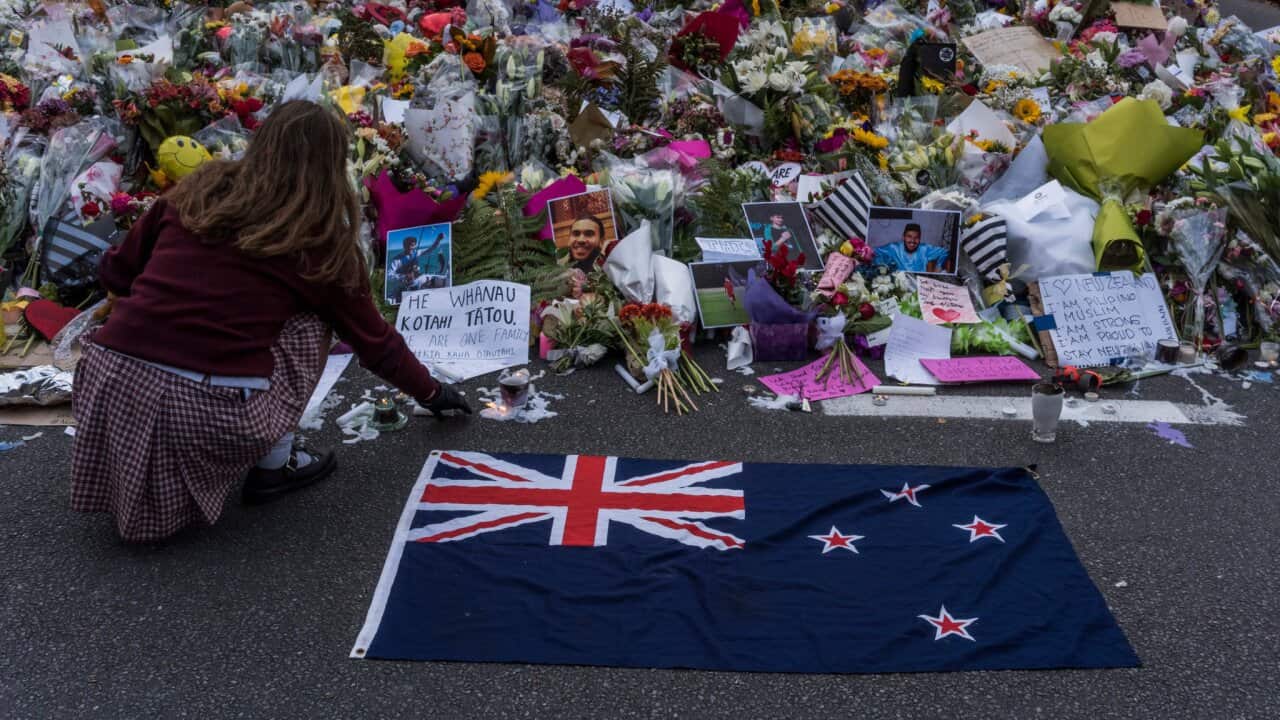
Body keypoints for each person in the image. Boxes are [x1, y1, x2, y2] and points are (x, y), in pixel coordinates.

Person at [71, 100, 472, 543]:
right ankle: (274, 466)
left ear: (261, 142)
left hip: (107, 382)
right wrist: (432, 392)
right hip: (201, 412)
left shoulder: (199, 189)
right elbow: (373, 341)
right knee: (309, 324)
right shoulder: (317, 239)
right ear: (331, 165)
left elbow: (116, 271)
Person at [873, 222, 950, 273]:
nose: (912, 241)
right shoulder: (894, 248)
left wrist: (938, 268)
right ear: (903, 237)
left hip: (921, 284)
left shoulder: (925, 249)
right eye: (909, 236)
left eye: (916, 237)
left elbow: (945, 252)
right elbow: (874, 252)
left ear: (920, 239)